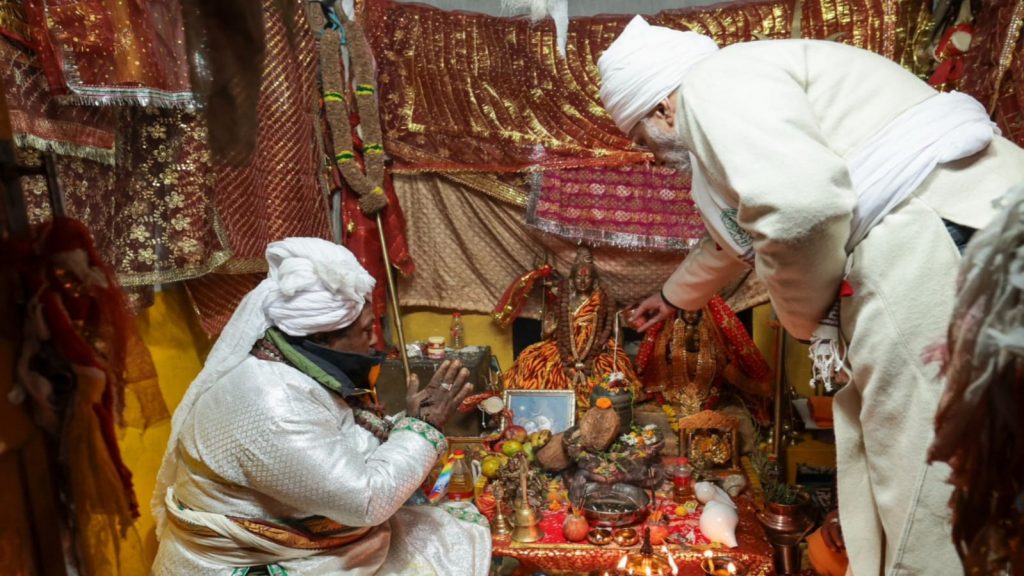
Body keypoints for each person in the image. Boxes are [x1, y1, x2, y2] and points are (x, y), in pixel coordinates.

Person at [597, 15, 1024, 575]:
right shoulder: (731, 107)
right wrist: (676, 298)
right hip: (954, 234)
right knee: (925, 466)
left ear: (660, 108)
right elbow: (735, 236)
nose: (648, 153)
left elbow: (798, 209)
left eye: (639, 137)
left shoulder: (711, 83)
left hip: (936, 236)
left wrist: (808, 323)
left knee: (929, 475)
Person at [151, 238, 491, 575]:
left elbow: (331, 444)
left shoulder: (290, 367)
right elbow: (367, 502)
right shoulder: (275, 406)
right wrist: (423, 428)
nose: (374, 340)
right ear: (321, 338)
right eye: (363, 331)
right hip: (263, 561)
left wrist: (407, 421)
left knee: (450, 525)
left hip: (308, 531)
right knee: (448, 543)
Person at [501, 246, 641, 410]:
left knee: (613, 374)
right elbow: (546, 333)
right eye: (578, 278)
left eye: (587, 278)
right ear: (572, 280)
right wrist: (549, 329)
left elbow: (614, 326)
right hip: (564, 347)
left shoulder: (603, 298)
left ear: (594, 280)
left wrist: (616, 348)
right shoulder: (564, 299)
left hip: (595, 349)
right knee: (530, 359)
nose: (582, 282)